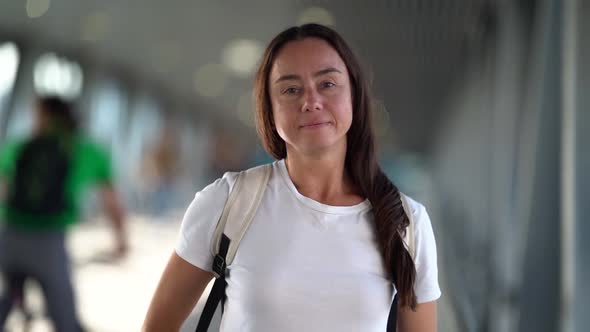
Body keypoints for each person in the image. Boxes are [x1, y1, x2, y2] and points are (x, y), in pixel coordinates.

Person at [143, 23, 441, 332]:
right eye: (291, 89)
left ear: (354, 95)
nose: (310, 101)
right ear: (269, 109)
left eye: (327, 84)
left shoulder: (406, 224)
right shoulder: (228, 203)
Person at [0, 96, 127, 332]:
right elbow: (112, 203)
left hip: (9, 237)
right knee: (65, 320)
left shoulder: (21, 146)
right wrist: (121, 239)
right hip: (49, 244)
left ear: (45, 116)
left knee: (8, 293)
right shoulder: (86, 150)